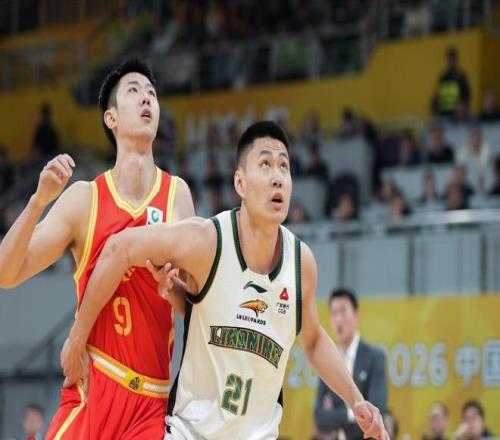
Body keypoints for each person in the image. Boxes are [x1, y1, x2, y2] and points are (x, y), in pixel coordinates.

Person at [62, 121, 389, 440]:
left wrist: (356, 400)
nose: (277, 177)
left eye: (284, 167)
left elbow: (314, 340)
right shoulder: (207, 241)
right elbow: (119, 247)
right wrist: (78, 335)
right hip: (190, 433)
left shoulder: (301, 263)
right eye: (265, 164)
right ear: (240, 183)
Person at [0, 59, 195, 439]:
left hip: (150, 406)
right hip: (93, 390)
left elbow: (195, 305)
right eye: (134, 91)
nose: (147, 99)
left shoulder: (177, 196)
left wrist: (170, 288)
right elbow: (7, 274)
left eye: (152, 94)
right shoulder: (84, 199)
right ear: (111, 118)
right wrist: (37, 202)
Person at [314, 288, 387, 440]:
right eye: (334, 313)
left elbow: (376, 411)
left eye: (343, 311)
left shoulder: (375, 357)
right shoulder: (328, 359)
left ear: (356, 315)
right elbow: (319, 418)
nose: (338, 319)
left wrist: (335, 413)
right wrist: (357, 412)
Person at [431, 47, 470, 118]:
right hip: (442, 116)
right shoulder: (442, 77)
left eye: (453, 59)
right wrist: (434, 111)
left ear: (456, 60)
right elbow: (435, 96)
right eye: (449, 59)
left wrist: (462, 110)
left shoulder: (461, 77)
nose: (450, 62)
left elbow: (466, 97)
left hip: (456, 117)